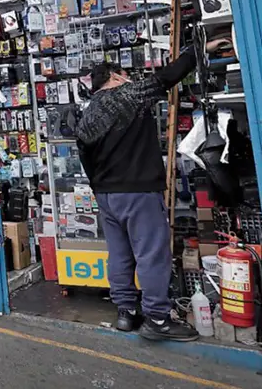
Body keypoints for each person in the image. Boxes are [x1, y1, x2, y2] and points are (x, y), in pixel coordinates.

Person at [76, 38, 229, 341]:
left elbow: (84, 156)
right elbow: (169, 75)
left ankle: (126, 312)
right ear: (116, 76)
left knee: (119, 255)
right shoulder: (128, 94)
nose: (130, 79)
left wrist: (99, 189)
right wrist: (200, 47)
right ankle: (157, 319)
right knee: (151, 254)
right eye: (126, 75)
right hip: (138, 192)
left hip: (107, 195)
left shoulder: (89, 112)